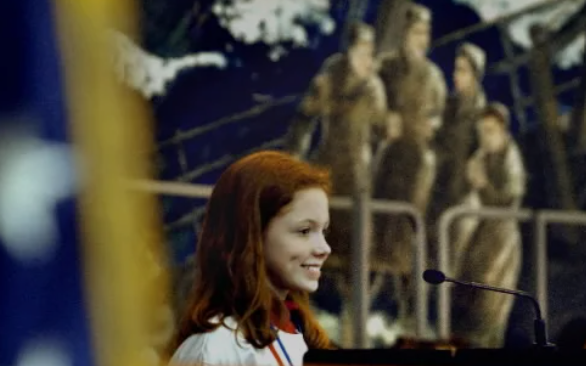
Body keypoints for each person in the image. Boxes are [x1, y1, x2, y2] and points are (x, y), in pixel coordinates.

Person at [168, 150, 334, 366]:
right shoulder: (213, 349)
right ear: (251, 232)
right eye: (304, 231)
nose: (324, 248)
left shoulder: (301, 338)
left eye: (324, 231)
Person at [451, 103, 527, 348]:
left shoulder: (511, 161)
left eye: (490, 130)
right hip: (477, 241)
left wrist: (482, 184)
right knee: (466, 305)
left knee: (489, 310)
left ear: (502, 130)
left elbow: (505, 203)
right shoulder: (480, 157)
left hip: (500, 245)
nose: (485, 137)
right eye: (481, 131)